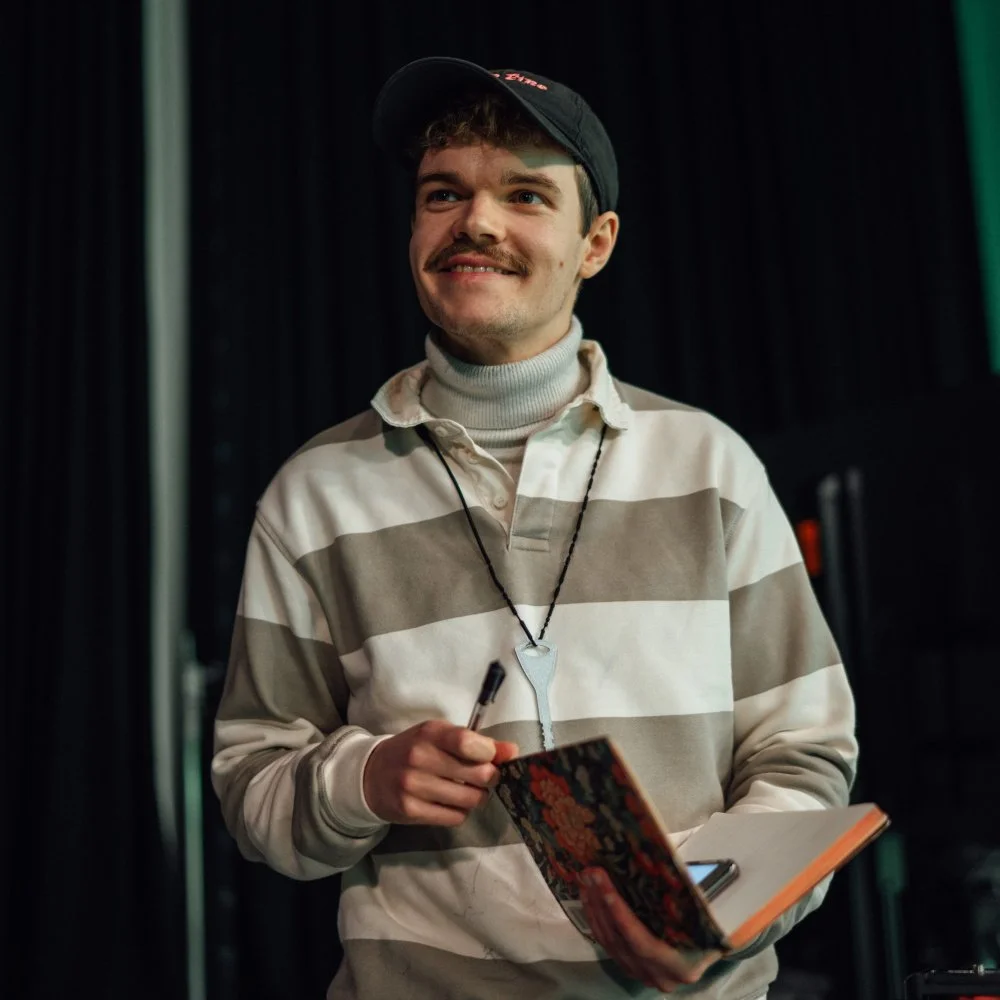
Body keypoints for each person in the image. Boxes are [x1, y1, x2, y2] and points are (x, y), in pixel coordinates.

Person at [211, 56, 858, 999]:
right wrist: (365, 780)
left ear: (595, 244)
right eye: (443, 194)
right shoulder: (314, 494)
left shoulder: (710, 466)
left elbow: (804, 753)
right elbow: (251, 786)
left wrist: (719, 912)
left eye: (524, 195)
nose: (476, 222)